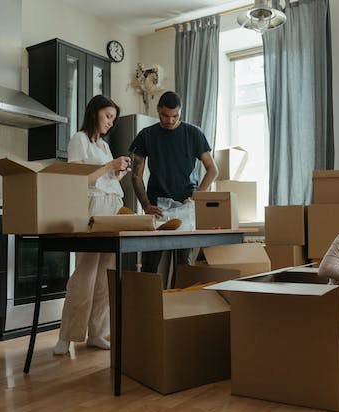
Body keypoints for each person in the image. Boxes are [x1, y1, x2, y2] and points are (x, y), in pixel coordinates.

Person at [53, 95, 131, 355]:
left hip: (112, 207)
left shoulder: (105, 146)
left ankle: (97, 332)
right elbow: (78, 180)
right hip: (91, 209)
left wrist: (118, 172)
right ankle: (66, 335)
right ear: (95, 113)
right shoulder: (79, 139)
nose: (111, 122)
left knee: (105, 273)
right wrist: (110, 165)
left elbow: (107, 181)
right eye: (108, 116)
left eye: (113, 119)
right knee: (84, 273)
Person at [129, 91, 218, 273]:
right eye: (164, 116)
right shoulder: (146, 135)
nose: (169, 120)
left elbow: (213, 170)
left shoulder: (194, 133)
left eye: (175, 116)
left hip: (186, 205)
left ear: (181, 112)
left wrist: (196, 197)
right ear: (158, 110)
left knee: (183, 265)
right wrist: (145, 204)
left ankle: (179, 301)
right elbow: (136, 175)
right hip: (157, 207)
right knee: (150, 265)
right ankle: (148, 301)